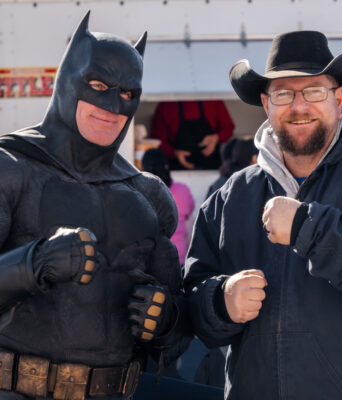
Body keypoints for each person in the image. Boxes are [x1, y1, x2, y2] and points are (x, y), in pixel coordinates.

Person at [184, 30, 342, 400]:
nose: (298, 106)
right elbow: (191, 302)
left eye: (314, 91)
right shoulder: (232, 196)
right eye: (283, 93)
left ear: (339, 99)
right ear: (267, 104)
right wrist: (220, 301)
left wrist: (307, 228)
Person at [0, 12, 192, 400]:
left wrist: (164, 319)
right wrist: (31, 264)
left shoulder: (148, 195)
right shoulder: (11, 169)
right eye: (98, 84)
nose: (113, 105)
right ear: (68, 82)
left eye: (126, 93)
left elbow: (175, 339)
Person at [141, 148, 195, 267]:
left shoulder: (136, 192)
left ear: (142, 168)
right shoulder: (183, 190)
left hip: (146, 263)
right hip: (177, 259)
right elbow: (189, 217)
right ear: (166, 166)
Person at [150, 100, 234, 170]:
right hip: (177, 171)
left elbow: (228, 128)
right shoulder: (166, 104)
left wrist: (216, 138)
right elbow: (156, 142)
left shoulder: (212, 99)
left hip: (213, 168)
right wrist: (175, 153)